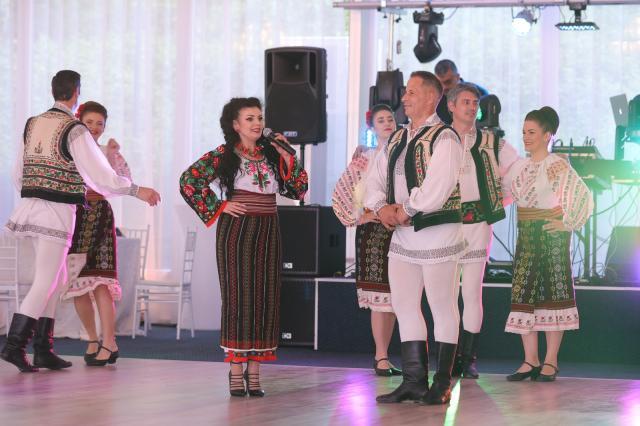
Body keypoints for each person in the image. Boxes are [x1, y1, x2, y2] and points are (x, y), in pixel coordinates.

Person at [1, 70, 160, 373]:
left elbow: (17, 173)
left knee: (58, 279)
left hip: (31, 208)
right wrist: (137, 190)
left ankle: (43, 349)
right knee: (45, 281)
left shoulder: (32, 123)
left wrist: (37, 188)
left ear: (54, 91)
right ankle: (14, 346)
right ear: (76, 93)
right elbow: (100, 176)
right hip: (56, 213)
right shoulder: (74, 129)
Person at [179, 97, 308, 397]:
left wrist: (288, 157)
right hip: (236, 230)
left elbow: (299, 189)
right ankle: (236, 369)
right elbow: (189, 181)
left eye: (259, 117)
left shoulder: (273, 154)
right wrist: (220, 206)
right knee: (239, 298)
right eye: (249, 118)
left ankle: (256, 371)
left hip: (268, 229)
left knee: (265, 298)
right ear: (235, 125)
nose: (257, 123)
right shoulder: (224, 155)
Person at [366, 71, 464, 405]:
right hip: (404, 237)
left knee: (442, 306)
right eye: (404, 93)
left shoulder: (445, 138)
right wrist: (381, 208)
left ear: (431, 97)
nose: (404, 98)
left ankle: (443, 383)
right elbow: (375, 178)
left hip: (437, 233)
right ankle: (413, 380)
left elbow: (438, 187)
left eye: (411, 92)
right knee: (405, 304)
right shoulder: (397, 138)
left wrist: (404, 210)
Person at [503, 107, 593, 382]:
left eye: (532, 132)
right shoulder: (519, 166)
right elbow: (505, 193)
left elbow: (583, 195)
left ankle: (550, 361)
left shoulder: (557, 165)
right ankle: (530, 360)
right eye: (524, 132)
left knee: (554, 293)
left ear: (547, 135)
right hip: (527, 235)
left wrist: (568, 223)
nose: (526, 137)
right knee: (524, 292)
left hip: (550, 233)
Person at [447, 83, 520, 379]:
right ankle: (447, 358)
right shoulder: (440, 139)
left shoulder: (492, 142)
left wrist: (497, 202)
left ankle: (468, 358)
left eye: (474, 102)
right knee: (445, 295)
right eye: (465, 101)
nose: (470, 107)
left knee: (471, 292)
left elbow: (518, 173)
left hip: (477, 222)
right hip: (445, 224)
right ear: (451, 105)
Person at [60, 101, 135, 366]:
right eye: (89, 122)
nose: (94, 128)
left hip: (100, 215)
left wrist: (114, 156)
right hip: (74, 216)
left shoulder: (104, 151)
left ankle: (110, 342)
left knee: (101, 282)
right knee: (78, 285)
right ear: (79, 122)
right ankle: (93, 339)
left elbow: (124, 179)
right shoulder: (68, 150)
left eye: (99, 123)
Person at [332, 104, 401, 377]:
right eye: (380, 120)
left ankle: (389, 355)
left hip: (400, 228)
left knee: (396, 297)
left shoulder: (405, 153)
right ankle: (380, 355)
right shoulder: (366, 157)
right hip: (373, 232)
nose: (387, 123)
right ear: (372, 128)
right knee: (379, 296)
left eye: (390, 119)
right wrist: (361, 216)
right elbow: (342, 191)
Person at [434, 59, 488, 125]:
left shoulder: (480, 94)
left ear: (457, 77)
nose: (444, 88)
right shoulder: (435, 99)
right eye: (439, 83)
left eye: (448, 82)